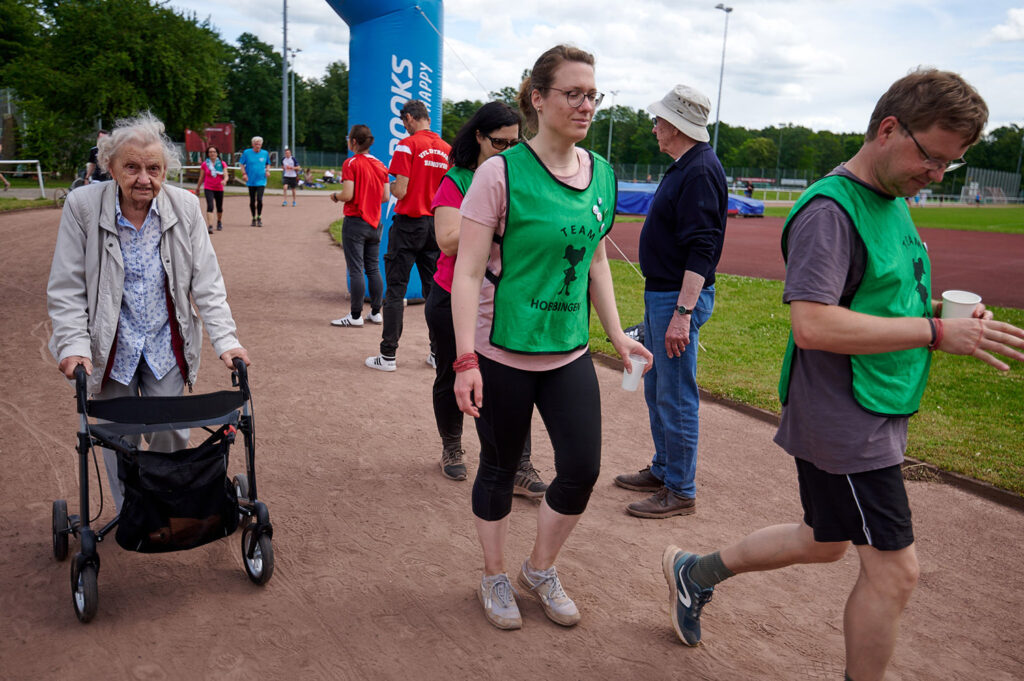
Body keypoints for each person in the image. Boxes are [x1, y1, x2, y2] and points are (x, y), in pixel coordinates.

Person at [661, 69, 1024, 681]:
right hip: (845, 421)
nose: (935, 176)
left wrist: (942, 315)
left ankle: (693, 573)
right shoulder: (831, 212)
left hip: (877, 405)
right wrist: (937, 333)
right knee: (895, 570)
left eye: (949, 168)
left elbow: (880, 302)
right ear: (889, 129)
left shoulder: (892, 200)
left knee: (823, 540)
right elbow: (814, 325)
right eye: (932, 158)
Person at [451, 45, 652, 631]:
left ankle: (537, 569)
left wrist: (617, 335)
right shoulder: (500, 173)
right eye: (573, 93)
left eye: (593, 94)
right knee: (498, 465)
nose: (585, 104)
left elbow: (593, 261)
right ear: (537, 99)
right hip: (501, 352)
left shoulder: (603, 176)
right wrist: (465, 360)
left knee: (582, 468)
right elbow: (466, 271)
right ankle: (493, 576)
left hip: (568, 353)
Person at [46, 111, 250, 512]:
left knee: (171, 430)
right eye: (132, 167)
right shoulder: (82, 207)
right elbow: (67, 287)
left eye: (153, 168)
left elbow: (206, 283)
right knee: (116, 436)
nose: (144, 178)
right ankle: (129, 513)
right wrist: (73, 346)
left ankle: (167, 504)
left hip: (163, 342)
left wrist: (227, 342)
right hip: (107, 345)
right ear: (111, 167)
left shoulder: (186, 207)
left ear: (165, 170)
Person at [614, 84, 728, 519]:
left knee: (675, 393)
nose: (655, 125)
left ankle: (680, 488)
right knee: (658, 387)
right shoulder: (686, 165)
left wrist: (682, 314)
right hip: (662, 294)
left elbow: (703, 247)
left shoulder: (699, 170)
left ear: (678, 125)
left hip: (674, 301)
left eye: (660, 119)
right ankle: (665, 469)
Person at [424, 101, 547, 498]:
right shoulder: (456, 180)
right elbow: (445, 239)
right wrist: (490, 218)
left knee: (514, 382)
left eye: (515, 143)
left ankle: (519, 464)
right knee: (452, 372)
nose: (508, 151)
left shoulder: (521, 176)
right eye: (499, 142)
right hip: (452, 296)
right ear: (478, 136)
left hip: (504, 298)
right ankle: (451, 445)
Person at [365, 99, 451, 372]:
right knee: (435, 293)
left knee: (395, 291)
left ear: (411, 118)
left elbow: (399, 191)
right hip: (435, 226)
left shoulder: (408, 144)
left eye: (403, 122)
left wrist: (385, 182)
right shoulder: (447, 150)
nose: (403, 127)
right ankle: (439, 354)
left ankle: (387, 356)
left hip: (408, 225)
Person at [329, 125, 389, 328]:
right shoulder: (381, 165)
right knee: (373, 267)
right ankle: (376, 312)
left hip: (356, 221)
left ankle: (355, 316)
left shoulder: (351, 163)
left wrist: (336, 196)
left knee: (356, 269)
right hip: (375, 222)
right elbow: (386, 196)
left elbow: (348, 194)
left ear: (354, 141)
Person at [239, 136, 270, 227]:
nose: (258, 146)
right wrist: (244, 174)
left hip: (261, 180)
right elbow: (241, 164)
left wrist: (267, 171)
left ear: (261, 145)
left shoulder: (265, 153)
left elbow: (268, 163)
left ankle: (259, 217)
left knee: (259, 199)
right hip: (251, 180)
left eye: (259, 144)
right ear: (253, 144)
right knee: (252, 200)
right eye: (256, 144)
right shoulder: (247, 153)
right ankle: (253, 217)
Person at [195, 144, 226, 233]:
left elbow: (226, 175)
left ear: (217, 153)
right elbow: (201, 177)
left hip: (219, 187)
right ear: (208, 154)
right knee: (210, 206)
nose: (212, 154)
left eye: (214, 152)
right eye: (210, 152)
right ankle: (210, 226)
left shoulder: (222, 163)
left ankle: (219, 221)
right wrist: (198, 187)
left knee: (219, 207)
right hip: (208, 187)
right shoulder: (205, 164)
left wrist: (225, 180)